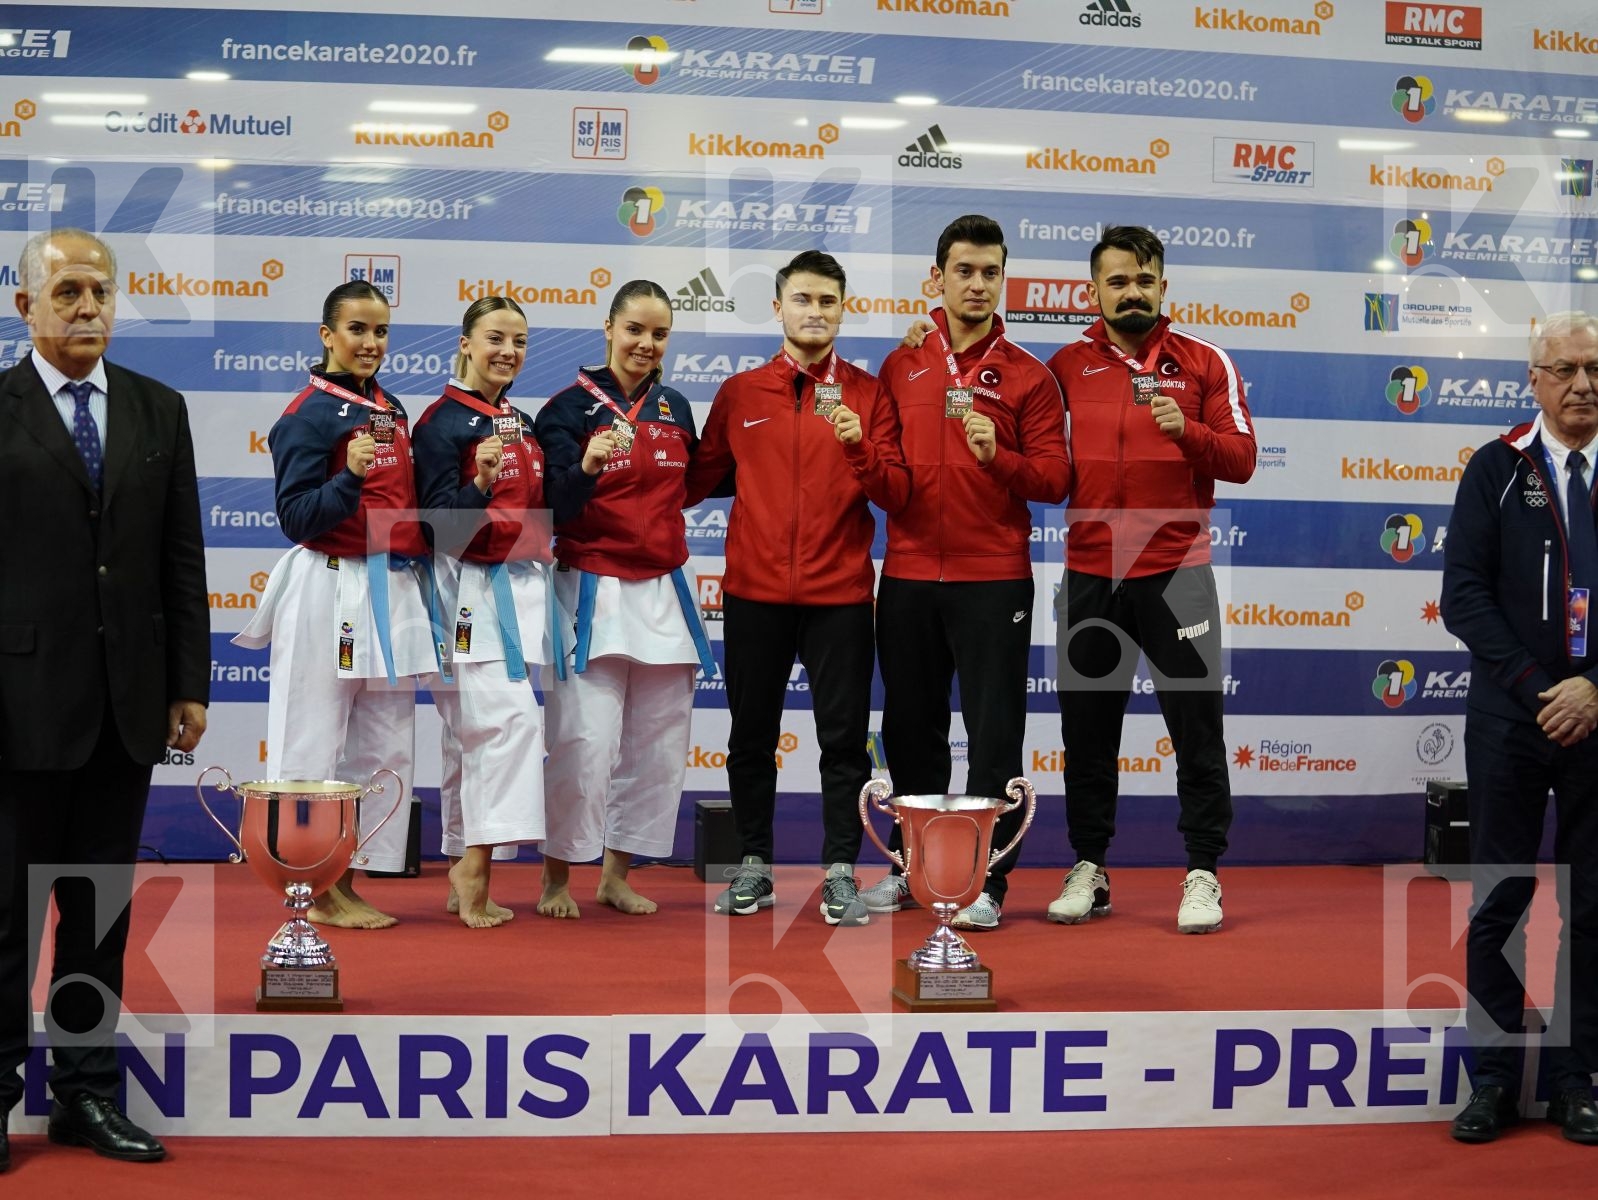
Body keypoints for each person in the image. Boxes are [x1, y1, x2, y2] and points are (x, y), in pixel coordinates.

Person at [0, 229, 209, 1165]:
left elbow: (181, 561)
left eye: (103, 291)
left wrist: (187, 685)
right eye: (70, 291)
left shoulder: (160, 410)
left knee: (95, 913)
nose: (90, 307)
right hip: (14, 706)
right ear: (26, 307)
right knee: (4, 918)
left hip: (127, 707)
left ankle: (84, 1095)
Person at [685, 251, 910, 926]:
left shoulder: (871, 396)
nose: (815, 311)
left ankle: (840, 872)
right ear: (779, 306)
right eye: (803, 299)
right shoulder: (741, 392)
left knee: (842, 742)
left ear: (844, 309)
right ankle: (754, 867)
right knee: (751, 736)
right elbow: (697, 481)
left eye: (828, 301)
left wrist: (859, 448)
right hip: (754, 593)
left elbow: (896, 493)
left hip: (839, 596)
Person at [858, 214, 1070, 931]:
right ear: (938, 278)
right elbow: (887, 483)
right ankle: (914, 869)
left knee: (993, 733)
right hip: (911, 573)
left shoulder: (1030, 376)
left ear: (1002, 278)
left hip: (994, 577)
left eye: (989, 272)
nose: (977, 284)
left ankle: (985, 884)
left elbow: (1055, 478)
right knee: (911, 730)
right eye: (964, 271)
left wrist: (997, 457)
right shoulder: (901, 365)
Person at [1044, 225, 1255, 935]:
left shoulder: (1203, 362)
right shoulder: (1064, 366)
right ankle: (1090, 867)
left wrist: (1186, 432)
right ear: (1094, 290)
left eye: (1144, 279)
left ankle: (1202, 872)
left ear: (1163, 285)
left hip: (1177, 576)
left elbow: (1243, 458)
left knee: (1197, 732)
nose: (1131, 291)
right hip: (1089, 575)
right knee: (1088, 733)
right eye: (1117, 280)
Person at [1441, 311, 1598, 1145]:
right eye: (1566, 369)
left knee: (1595, 905)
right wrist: (1547, 689)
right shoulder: (1495, 468)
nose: (1583, 384)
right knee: (1501, 898)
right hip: (1512, 714)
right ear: (1533, 380)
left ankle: (1579, 1077)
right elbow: (1462, 595)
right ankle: (1495, 1078)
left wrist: (1593, 692)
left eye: (1595, 369)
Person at [235, 281, 433, 929]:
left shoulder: (392, 408)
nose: (371, 343)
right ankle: (306, 887)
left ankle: (344, 880)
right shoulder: (305, 416)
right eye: (356, 330)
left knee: (384, 746)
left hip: (389, 588)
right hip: (327, 584)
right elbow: (296, 518)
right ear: (326, 335)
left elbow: (401, 511)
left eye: (380, 331)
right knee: (311, 739)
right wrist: (347, 477)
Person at [533, 280, 713, 918]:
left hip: (661, 590)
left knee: (658, 744)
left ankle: (616, 873)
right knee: (584, 740)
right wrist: (584, 467)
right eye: (635, 329)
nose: (646, 344)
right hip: (591, 588)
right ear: (608, 328)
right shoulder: (566, 410)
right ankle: (557, 878)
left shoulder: (675, 407)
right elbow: (548, 506)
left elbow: (692, 488)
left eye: (659, 334)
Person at [413, 297, 551, 929]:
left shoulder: (519, 419)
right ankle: (475, 867)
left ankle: (457, 863)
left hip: (520, 592)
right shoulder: (439, 424)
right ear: (465, 342)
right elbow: (438, 530)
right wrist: (479, 485)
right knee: (508, 726)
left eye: (519, 342)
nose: (508, 352)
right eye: (495, 338)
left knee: (469, 736)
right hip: (466, 593)